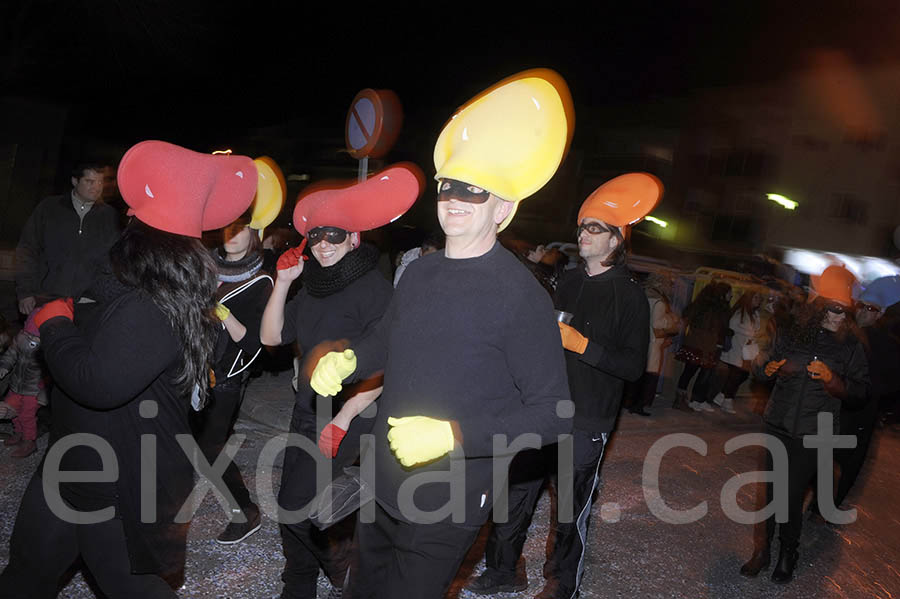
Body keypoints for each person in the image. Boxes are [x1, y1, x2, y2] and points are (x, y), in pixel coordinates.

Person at [309, 69, 574, 599]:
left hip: (450, 497)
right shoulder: (422, 270)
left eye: (475, 192)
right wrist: (349, 361)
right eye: (448, 186)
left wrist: (453, 434)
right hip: (382, 480)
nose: (455, 199)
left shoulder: (521, 297)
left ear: (504, 209)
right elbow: (388, 338)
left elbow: (553, 415)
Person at [0, 140, 259, 598]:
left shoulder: (154, 302)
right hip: (72, 464)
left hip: (121, 484)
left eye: (133, 219)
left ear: (142, 235)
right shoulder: (139, 284)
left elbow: (99, 382)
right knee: (23, 579)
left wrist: (56, 323)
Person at [466, 172, 657, 599]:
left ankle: (562, 583)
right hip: (541, 406)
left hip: (587, 416)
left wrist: (582, 345)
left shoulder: (629, 295)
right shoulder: (567, 281)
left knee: (570, 508)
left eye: (595, 228)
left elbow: (632, 367)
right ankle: (502, 570)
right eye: (582, 226)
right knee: (513, 496)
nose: (583, 234)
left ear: (616, 241)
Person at [260, 165, 420, 599]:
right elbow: (272, 337)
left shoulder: (375, 289)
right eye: (317, 236)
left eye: (335, 235)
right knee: (297, 508)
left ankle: (322, 581)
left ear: (355, 239)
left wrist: (346, 418)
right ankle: (315, 577)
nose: (324, 244)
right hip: (307, 410)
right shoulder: (311, 285)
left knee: (302, 509)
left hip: (350, 416)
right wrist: (282, 283)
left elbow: (386, 362)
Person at [739, 265, 869, 584]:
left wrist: (832, 379)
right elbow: (760, 365)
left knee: (792, 494)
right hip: (779, 422)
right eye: (834, 309)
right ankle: (762, 550)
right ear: (820, 305)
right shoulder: (792, 331)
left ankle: (788, 552)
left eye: (844, 310)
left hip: (817, 431)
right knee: (771, 492)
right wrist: (767, 369)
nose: (839, 316)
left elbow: (860, 392)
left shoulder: (851, 345)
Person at [192, 163, 283, 545]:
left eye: (241, 226)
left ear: (254, 233)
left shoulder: (262, 278)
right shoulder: (204, 265)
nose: (232, 233)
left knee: (210, 447)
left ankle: (244, 512)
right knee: (186, 441)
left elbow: (255, 345)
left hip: (225, 376)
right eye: (228, 225)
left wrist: (223, 315)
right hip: (190, 367)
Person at [15, 163, 121, 315]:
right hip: (46, 297)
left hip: (89, 304)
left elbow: (114, 261)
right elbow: (27, 249)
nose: (96, 187)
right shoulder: (49, 208)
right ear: (75, 181)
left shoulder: (110, 217)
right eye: (89, 181)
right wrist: (25, 292)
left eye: (100, 182)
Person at [830, 275, 900, 507]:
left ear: (880, 314)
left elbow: (892, 384)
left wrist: (871, 394)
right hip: (832, 406)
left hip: (862, 412)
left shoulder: (888, 346)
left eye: (869, 308)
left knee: (849, 462)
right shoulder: (841, 333)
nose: (862, 312)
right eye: (860, 306)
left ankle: (827, 506)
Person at [673, 281, 732, 412]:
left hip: (697, 344)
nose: (731, 295)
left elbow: (688, 315)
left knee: (689, 372)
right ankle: (682, 400)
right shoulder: (715, 308)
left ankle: (681, 399)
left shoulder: (705, 305)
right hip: (702, 346)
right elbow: (712, 329)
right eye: (729, 293)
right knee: (692, 372)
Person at [628, 271, 679, 416]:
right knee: (649, 375)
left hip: (640, 341)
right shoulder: (659, 302)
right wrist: (671, 324)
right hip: (653, 343)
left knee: (638, 374)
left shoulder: (643, 297)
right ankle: (639, 405)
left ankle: (630, 402)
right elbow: (657, 325)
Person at [0, 311, 43, 458]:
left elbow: (50, 370)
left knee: (27, 415)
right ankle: (18, 432)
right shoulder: (21, 338)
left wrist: (44, 391)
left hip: (33, 389)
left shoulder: (46, 345)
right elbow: (11, 354)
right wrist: (4, 366)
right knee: (11, 409)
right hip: (16, 384)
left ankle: (28, 440)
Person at [712, 290, 762, 414]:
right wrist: (749, 333)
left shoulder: (755, 314)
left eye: (759, 298)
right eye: (756, 297)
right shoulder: (740, 312)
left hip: (745, 349)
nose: (758, 300)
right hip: (737, 347)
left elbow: (757, 329)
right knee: (737, 374)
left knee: (741, 374)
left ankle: (722, 396)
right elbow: (732, 326)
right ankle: (727, 400)